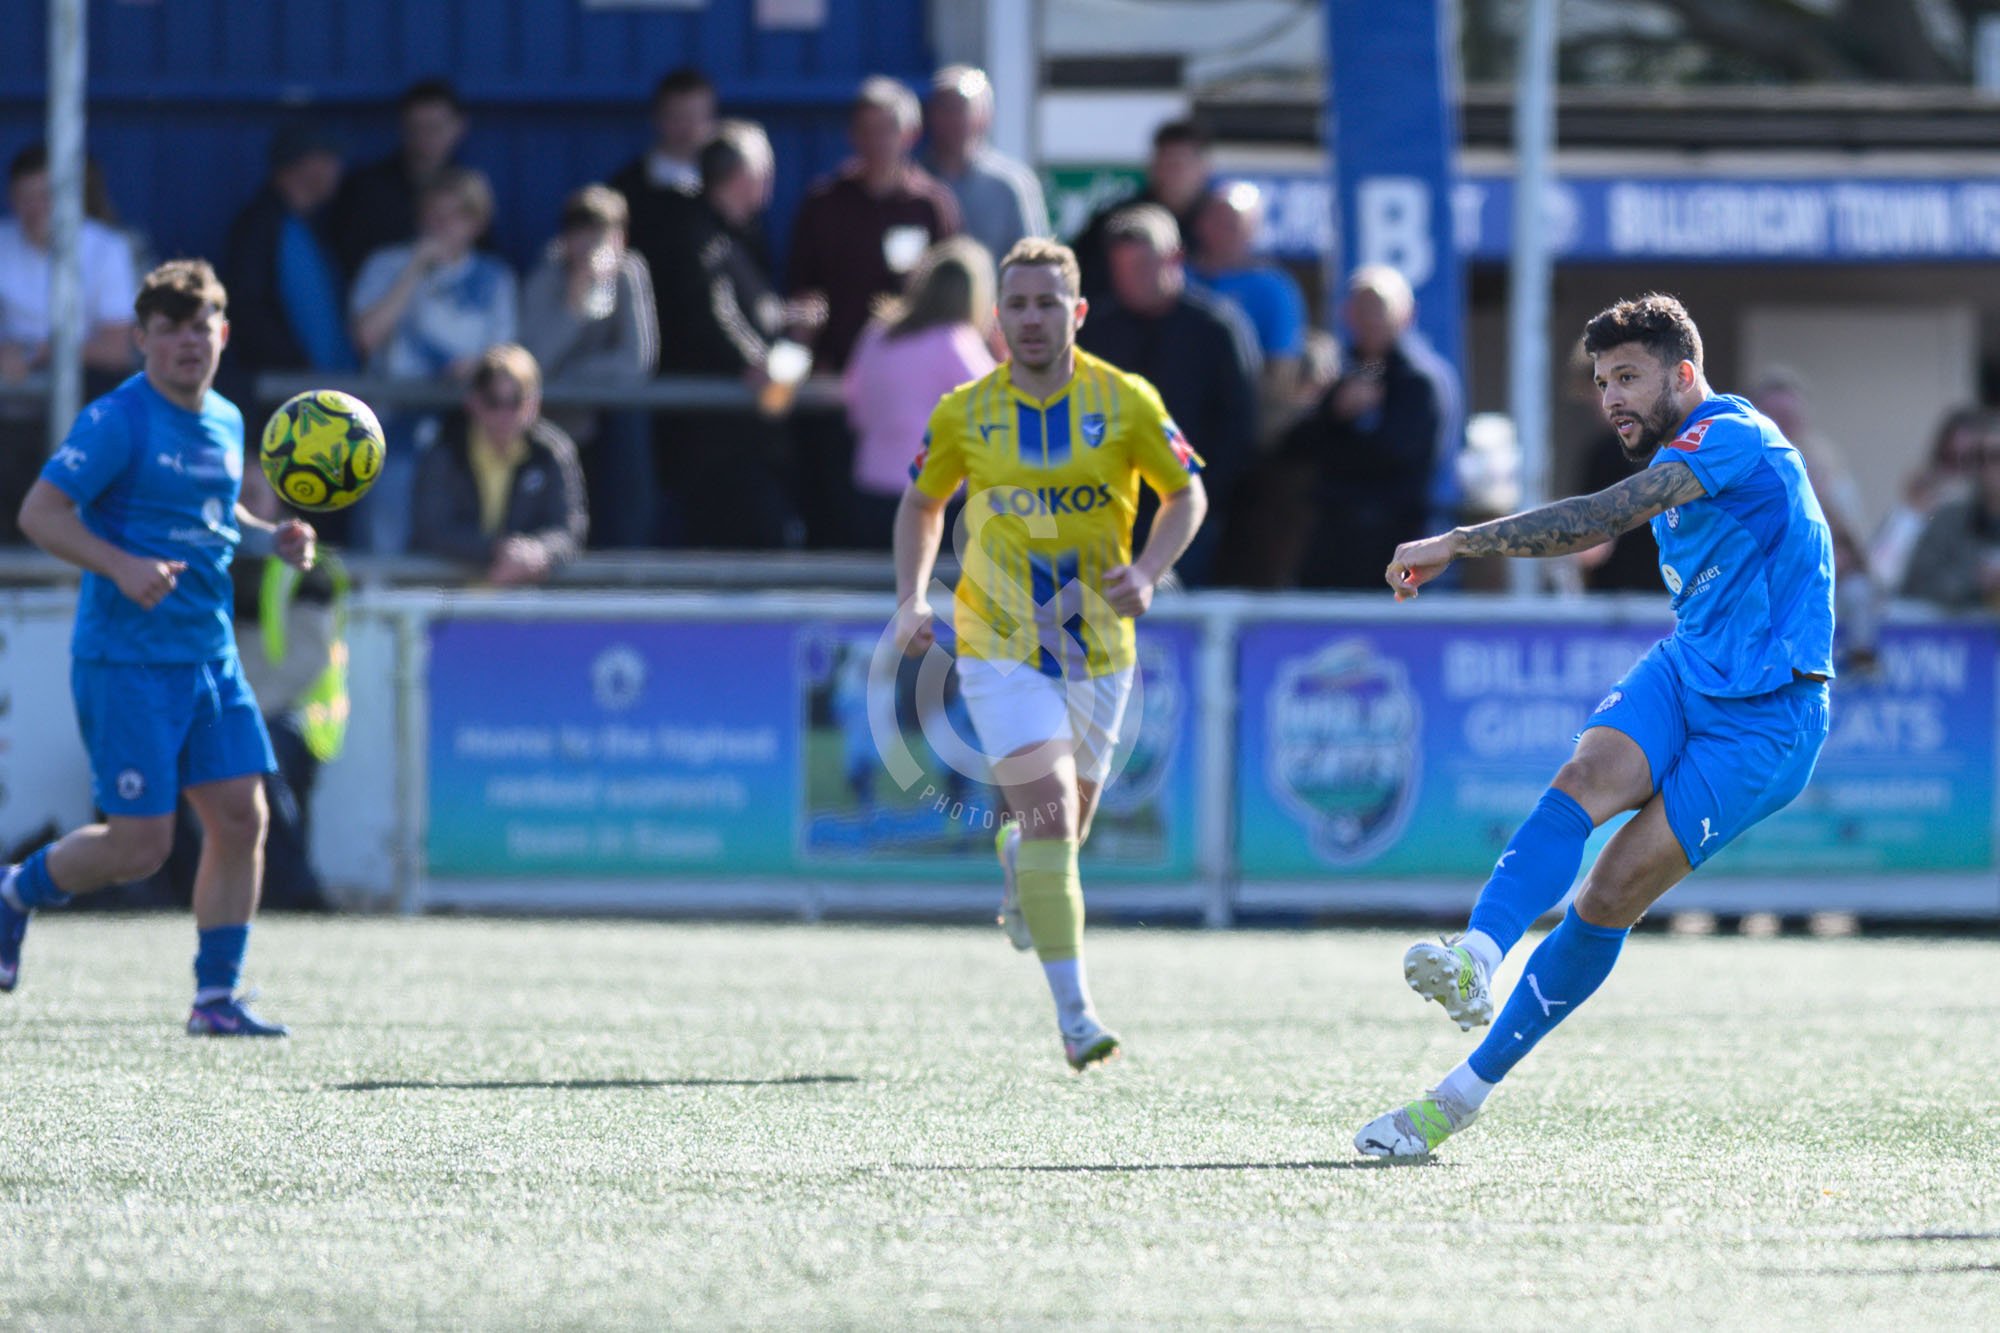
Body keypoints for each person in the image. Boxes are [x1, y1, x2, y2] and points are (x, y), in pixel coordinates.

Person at [1354, 293, 1834, 1158]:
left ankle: (1457, 1098)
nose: (1612, 398)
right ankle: (1476, 956)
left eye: (1629, 378)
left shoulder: (1733, 435)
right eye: (1604, 380)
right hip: (1688, 667)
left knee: (1608, 891)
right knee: (1581, 779)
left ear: (1683, 375)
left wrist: (1458, 541)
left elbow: (1607, 515)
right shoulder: (1677, 447)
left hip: (1769, 717)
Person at [892, 237, 1209, 1071]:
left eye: (1047, 303)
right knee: (1054, 820)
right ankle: (1076, 1016)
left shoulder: (1126, 399)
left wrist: (1148, 569)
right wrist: (911, 596)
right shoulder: (964, 411)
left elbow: (1185, 493)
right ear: (996, 317)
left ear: (1078, 312)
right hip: (998, 645)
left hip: (1101, 647)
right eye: (1017, 305)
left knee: (1060, 832)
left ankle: (1015, 856)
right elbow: (922, 503)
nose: (1031, 319)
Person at [1, 259, 316, 1034]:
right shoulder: (118, 419)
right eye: (169, 328)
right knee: (140, 846)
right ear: (140, 338)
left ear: (224, 334)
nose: (187, 342)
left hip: (209, 657)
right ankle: (13, 890)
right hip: (128, 660)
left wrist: (270, 536)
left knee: (242, 819)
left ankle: (216, 999)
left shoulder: (229, 420)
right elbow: (40, 513)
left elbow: (215, 512)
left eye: (201, 326)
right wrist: (120, 564)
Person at [1077, 204, 1257, 586]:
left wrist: (1206, 493)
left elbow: (1237, 424)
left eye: (1143, 267)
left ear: (1175, 258)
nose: (1131, 281)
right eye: (1122, 270)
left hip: (1191, 511)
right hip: (1109, 513)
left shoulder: (1215, 329)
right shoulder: (1097, 333)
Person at [348, 166, 517, 553]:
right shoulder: (386, 264)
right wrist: (414, 270)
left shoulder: (495, 278)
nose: (441, 225)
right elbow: (366, 337)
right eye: (433, 214)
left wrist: (478, 367)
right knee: (384, 542)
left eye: (454, 215)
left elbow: (507, 358)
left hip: (465, 429)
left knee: (462, 542)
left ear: (477, 223)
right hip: (391, 429)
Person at [1280, 265, 1459, 590]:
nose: (1370, 319)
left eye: (1380, 309)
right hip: (1334, 544)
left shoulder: (1420, 380)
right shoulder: (1345, 371)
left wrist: (1340, 445)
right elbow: (1295, 446)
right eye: (1361, 309)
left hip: (1398, 543)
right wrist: (1334, 412)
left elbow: (1395, 455)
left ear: (1406, 314)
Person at [0, 144, 139, 541]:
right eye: (26, 197)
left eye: (46, 195)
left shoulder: (106, 248)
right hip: (12, 410)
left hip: (84, 411)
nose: (36, 208)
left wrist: (40, 354)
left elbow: (117, 349)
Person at [788, 76, 962, 374]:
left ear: (911, 134)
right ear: (852, 136)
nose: (876, 141)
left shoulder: (931, 206)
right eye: (866, 130)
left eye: (887, 129)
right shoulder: (825, 203)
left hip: (912, 368)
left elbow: (953, 291)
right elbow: (801, 288)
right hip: (837, 369)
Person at [519, 185, 658, 549]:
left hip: (607, 422)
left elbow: (637, 364)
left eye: (603, 236)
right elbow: (535, 364)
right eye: (582, 235)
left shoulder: (629, 272)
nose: (593, 249)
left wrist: (573, 377)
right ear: (565, 240)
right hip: (555, 420)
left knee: (628, 423)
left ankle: (628, 561)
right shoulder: (546, 275)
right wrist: (574, 301)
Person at [842, 236, 996, 548]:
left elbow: (856, 409)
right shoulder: (956, 342)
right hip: (933, 494)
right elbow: (997, 409)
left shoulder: (877, 334)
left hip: (871, 484)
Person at [411, 344, 588, 584]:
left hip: (526, 600)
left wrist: (538, 551)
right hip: (450, 597)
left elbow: (568, 531)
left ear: (534, 403)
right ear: (473, 401)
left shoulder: (553, 452)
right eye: (493, 401)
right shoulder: (445, 450)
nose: (505, 414)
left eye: (516, 401)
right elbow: (431, 530)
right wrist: (498, 551)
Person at [219, 122, 357, 404]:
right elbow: (248, 309)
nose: (337, 169)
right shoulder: (261, 225)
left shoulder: (310, 228)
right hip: (282, 394)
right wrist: (295, 367)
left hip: (320, 390)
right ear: (302, 164)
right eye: (327, 159)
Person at [610, 67, 718, 363]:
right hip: (645, 347)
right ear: (657, 118)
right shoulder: (626, 190)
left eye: (696, 117)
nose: (687, 127)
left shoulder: (726, 189)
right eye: (676, 116)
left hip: (717, 355)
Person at [327, 79, 472, 278]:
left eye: (435, 127)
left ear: (460, 126)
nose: (425, 138)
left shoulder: (469, 190)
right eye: (415, 128)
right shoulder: (366, 189)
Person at [1068, 120, 1212, 304]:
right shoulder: (1115, 221)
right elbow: (1080, 278)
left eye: (1179, 165)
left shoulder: (1222, 223)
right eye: (1164, 164)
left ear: (1203, 168)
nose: (1171, 175)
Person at [922, 65, 1048, 266]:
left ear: (984, 116)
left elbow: (1033, 259)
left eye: (961, 109)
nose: (953, 119)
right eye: (944, 108)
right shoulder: (914, 181)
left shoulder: (1010, 183)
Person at [1872, 405, 1987, 595]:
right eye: (1949, 460)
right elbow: (1881, 569)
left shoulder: (1983, 516)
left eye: (1966, 462)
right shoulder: (1915, 504)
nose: (1955, 476)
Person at [1900, 425, 2000, 612]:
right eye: (1979, 457)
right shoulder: (1947, 520)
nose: (1988, 466)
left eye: (1996, 456)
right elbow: (1915, 585)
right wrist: (1975, 580)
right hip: (1961, 626)